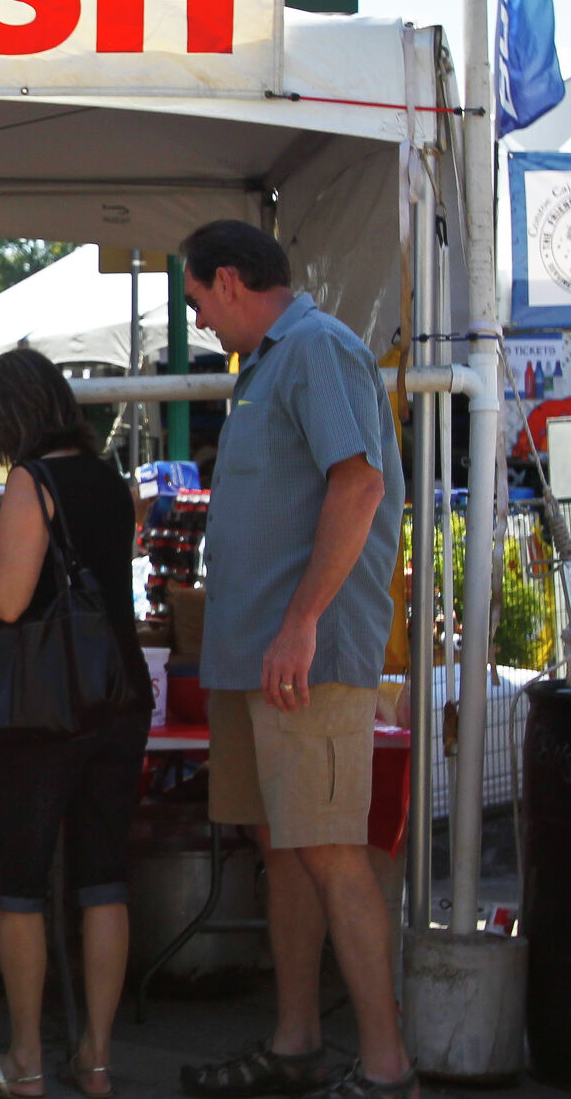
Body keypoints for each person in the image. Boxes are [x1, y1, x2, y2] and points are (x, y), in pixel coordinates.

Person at [175, 220, 412, 1099]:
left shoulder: (317, 348)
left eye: (197, 300)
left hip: (302, 658)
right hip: (259, 659)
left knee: (329, 849)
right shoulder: (270, 363)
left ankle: (388, 1068)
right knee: (287, 848)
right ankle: (296, 1041)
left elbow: (360, 483)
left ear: (229, 280)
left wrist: (303, 620)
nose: (198, 320)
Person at [0, 349, 153, 1099]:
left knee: (19, 882)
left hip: (51, 706)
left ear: (7, 415)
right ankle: (98, 1056)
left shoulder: (31, 480)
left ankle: (24, 1060)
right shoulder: (109, 478)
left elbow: (11, 599)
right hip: (122, 694)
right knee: (103, 876)